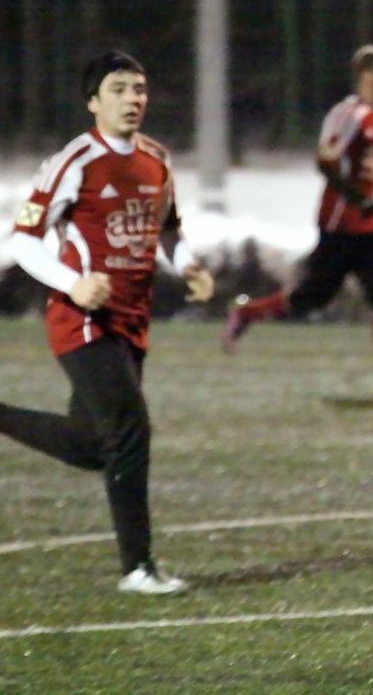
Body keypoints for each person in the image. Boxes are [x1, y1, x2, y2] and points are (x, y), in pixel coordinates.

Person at [0, 50, 214, 594]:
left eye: (139, 89)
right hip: (82, 319)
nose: (133, 99)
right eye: (118, 89)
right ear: (93, 101)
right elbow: (22, 241)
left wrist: (187, 264)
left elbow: (167, 229)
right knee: (130, 431)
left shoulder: (156, 161)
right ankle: (138, 568)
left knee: (92, 445)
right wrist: (71, 283)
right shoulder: (73, 162)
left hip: (131, 323)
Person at [222, 44, 373, 396]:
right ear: (361, 77)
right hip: (339, 223)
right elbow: (325, 163)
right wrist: (358, 198)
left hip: (367, 226)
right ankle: (247, 313)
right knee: (312, 298)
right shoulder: (347, 114)